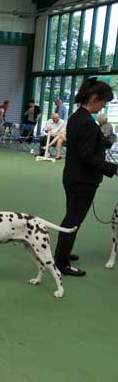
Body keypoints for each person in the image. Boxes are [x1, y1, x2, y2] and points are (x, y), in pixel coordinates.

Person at [53, 77, 118, 276]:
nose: (104, 106)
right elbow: (88, 156)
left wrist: (105, 141)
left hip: (72, 176)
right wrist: (114, 169)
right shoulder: (88, 123)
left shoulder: (76, 117)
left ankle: (64, 253)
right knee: (73, 221)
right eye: (104, 102)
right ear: (94, 98)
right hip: (83, 180)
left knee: (71, 217)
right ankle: (61, 263)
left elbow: (87, 145)